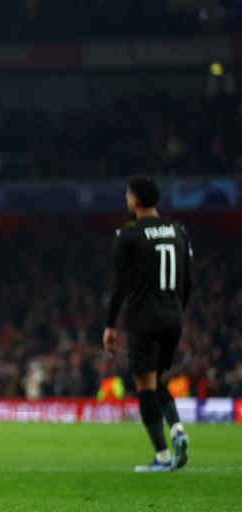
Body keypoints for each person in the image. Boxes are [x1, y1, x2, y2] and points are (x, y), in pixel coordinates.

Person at [104, 176, 193, 472]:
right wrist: (178, 311)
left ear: (136, 200)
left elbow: (120, 283)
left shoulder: (127, 234)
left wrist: (109, 324)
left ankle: (163, 457)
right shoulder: (178, 231)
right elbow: (188, 281)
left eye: (128, 197)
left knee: (144, 385)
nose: (127, 201)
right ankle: (177, 430)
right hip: (173, 316)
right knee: (156, 379)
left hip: (145, 318)